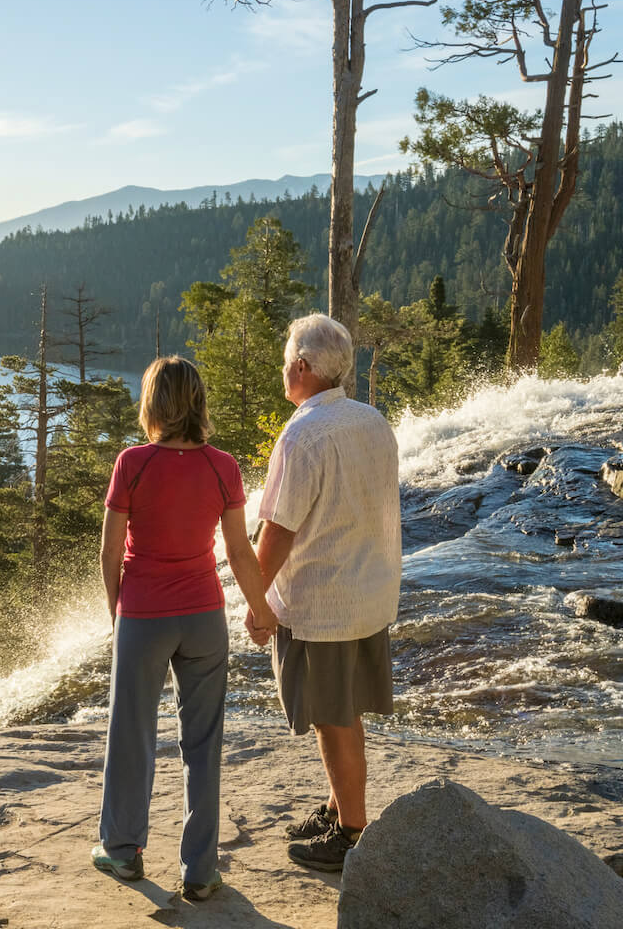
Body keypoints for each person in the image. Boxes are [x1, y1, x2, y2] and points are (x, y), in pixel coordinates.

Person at [92, 356, 278, 901]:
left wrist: (117, 612)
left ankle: (123, 852)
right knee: (203, 744)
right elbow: (240, 552)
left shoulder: (134, 463)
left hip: (144, 617)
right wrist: (261, 610)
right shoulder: (223, 466)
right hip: (204, 618)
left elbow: (109, 551)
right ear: (198, 404)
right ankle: (200, 870)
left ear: (153, 404)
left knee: (132, 735)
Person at [244, 313, 402, 873]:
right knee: (344, 707)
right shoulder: (373, 421)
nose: (284, 367)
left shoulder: (301, 435)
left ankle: (352, 832)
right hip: (372, 593)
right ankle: (339, 809)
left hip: (322, 604)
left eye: (288, 358)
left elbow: (278, 531)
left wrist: (257, 604)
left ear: (304, 367)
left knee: (332, 718)